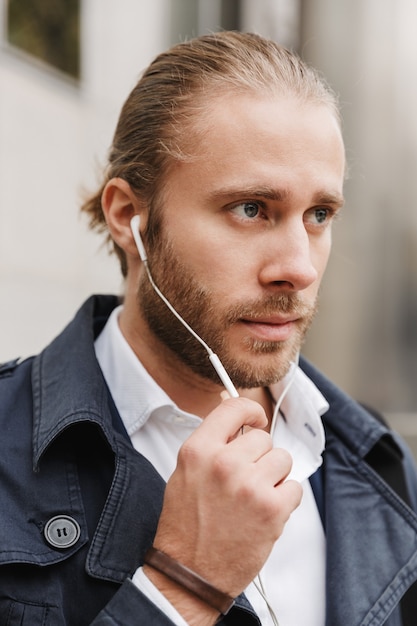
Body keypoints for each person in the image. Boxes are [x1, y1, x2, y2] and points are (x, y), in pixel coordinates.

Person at [1, 30, 417, 626]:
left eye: (319, 214)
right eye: (251, 209)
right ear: (129, 217)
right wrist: (182, 585)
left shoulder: (374, 455)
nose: (298, 267)